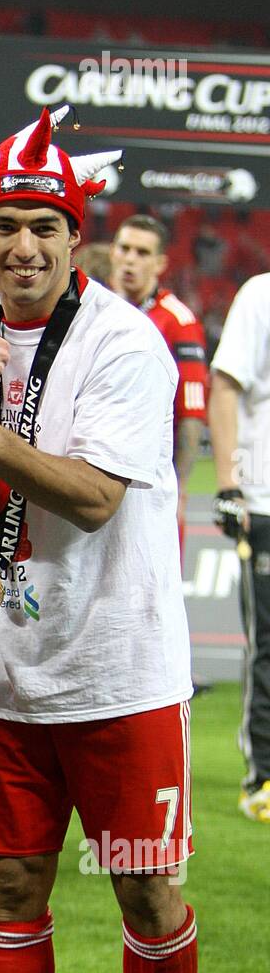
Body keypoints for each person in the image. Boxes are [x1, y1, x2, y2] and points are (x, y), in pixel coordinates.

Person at [0, 109, 205, 973]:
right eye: (6, 228)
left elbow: (92, 498)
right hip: (13, 674)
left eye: (46, 227)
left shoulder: (127, 343)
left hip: (123, 671)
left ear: (75, 239)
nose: (24, 248)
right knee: (12, 891)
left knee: (146, 894)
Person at [208, 273, 270, 821]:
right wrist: (229, 486)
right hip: (266, 498)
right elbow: (224, 385)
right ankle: (264, 779)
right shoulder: (261, 294)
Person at [109, 215, 208, 549]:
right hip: (97, 480)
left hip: (152, 491)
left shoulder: (179, 322)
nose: (131, 259)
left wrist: (177, 490)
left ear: (161, 263)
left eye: (142, 252)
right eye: (125, 248)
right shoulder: (92, 312)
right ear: (113, 252)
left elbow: (192, 416)